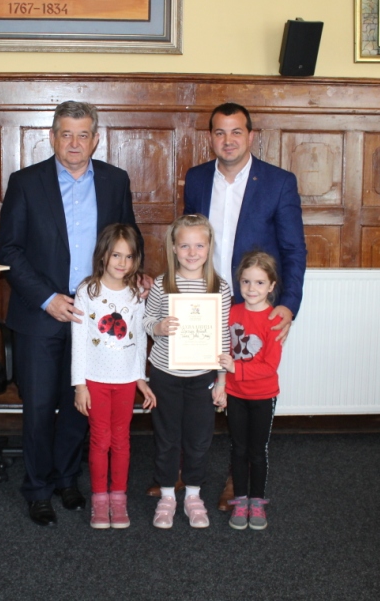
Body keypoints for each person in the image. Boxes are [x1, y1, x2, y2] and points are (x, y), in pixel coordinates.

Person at [0, 100, 143, 527]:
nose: (75, 143)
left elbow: (129, 239)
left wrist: (137, 275)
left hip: (98, 314)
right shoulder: (25, 183)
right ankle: (38, 489)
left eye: (83, 135)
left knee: (82, 403)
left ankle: (66, 478)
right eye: (66, 134)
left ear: (95, 140)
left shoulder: (115, 180)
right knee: (40, 406)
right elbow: (9, 250)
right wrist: (48, 298)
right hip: (41, 312)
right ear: (52, 137)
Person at [182, 102, 306, 509]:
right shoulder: (197, 178)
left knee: (244, 392)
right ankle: (188, 469)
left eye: (236, 131)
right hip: (203, 300)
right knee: (196, 384)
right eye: (220, 132)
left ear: (251, 136)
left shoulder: (278, 182)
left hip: (253, 306)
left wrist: (288, 305)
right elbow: (187, 238)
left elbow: (294, 250)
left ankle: (238, 479)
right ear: (210, 137)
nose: (228, 140)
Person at [142, 214, 231, 529]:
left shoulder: (219, 287)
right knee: (167, 438)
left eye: (199, 245)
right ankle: (167, 495)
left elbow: (223, 337)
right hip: (165, 375)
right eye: (184, 246)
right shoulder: (162, 284)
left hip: (202, 378)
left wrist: (221, 382)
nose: (192, 253)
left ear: (209, 247)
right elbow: (146, 321)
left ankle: (193, 494)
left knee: (198, 439)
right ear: (173, 248)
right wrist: (159, 327)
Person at [71, 223, 156, 529]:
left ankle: (118, 498)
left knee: (121, 440)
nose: (122, 262)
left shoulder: (136, 294)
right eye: (116, 255)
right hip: (94, 380)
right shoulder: (87, 291)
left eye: (129, 257)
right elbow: (79, 340)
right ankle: (99, 499)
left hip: (125, 381)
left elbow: (140, 339)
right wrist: (79, 385)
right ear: (103, 255)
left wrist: (141, 378)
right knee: (100, 440)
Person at [220, 251, 283, 531]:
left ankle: (257, 501)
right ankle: (240, 499)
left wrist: (237, 368)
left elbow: (270, 366)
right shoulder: (232, 312)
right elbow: (223, 349)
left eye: (259, 282)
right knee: (238, 448)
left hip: (263, 396)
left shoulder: (274, 319)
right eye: (246, 281)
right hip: (235, 394)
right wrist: (222, 382)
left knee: (257, 451)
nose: (251, 288)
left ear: (271, 286)